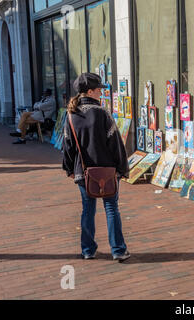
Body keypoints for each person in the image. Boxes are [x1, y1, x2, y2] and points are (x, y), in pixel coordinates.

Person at [62, 72, 131, 262]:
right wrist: (122, 168)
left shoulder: (71, 114)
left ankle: (88, 250)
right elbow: (115, 143)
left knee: (87, 209)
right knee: (111, 208)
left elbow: (67, 144)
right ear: (90, 91)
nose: (101, 92)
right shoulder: (102, 113)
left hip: (83, 173)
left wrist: (69, 168)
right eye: (99, 89)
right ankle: (118, 250)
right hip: (107, 171)